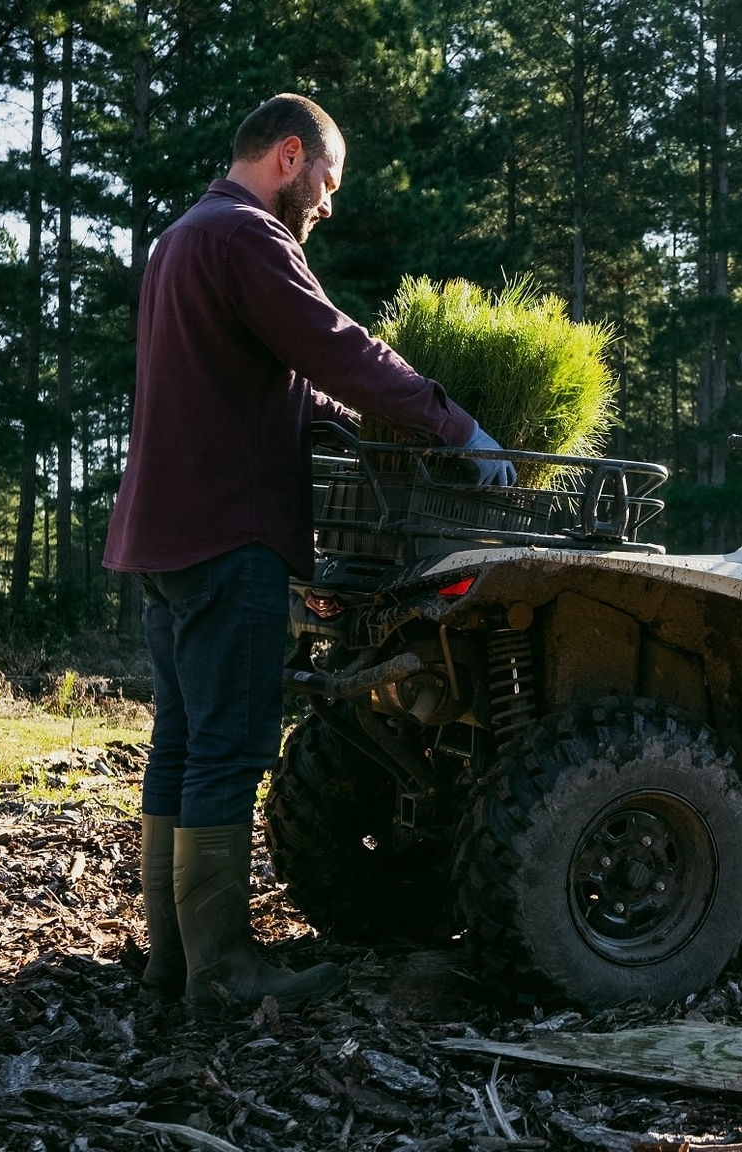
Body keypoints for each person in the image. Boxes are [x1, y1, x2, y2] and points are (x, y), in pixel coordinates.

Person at [103, 93, 508, 1014]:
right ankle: (224, 972)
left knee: (180, 747)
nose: (328, 205)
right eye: (327, 181)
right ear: (290, 156)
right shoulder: (247, 236)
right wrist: (454, 426)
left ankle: (175, 965)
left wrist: (357, 428)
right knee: (229, 752)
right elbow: (336, 346)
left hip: (162, 535)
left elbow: (259, 382)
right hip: (227, 534)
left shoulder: (183, 238)